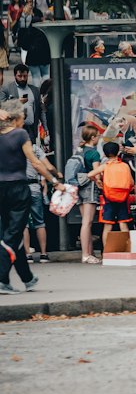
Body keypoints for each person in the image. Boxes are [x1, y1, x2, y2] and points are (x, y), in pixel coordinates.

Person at [0, 106, 60, 293]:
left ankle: (27, 278)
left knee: (13, 233)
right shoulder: (20, 135)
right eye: (23, 119)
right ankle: (1, 278)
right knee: (11, 236)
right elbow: (35, 162)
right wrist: (54, 181)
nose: (24, 122)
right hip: (18, 188)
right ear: (17, 119)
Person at [64, 122, 104, 262]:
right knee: (87, 222)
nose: (99, 138)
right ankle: (86, 255)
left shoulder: (80, 150)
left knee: (85, 222)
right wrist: (99, 181)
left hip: (78, 186)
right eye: (98, 136)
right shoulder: (94, 153)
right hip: (89, 186)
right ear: (93, 138)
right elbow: (96, 173)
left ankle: (89, 253)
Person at [98, 140, 134, 251]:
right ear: (118, 152)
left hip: (108, 198)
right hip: (123, 198)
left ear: (104, 154)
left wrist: (98, 180)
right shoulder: (124, 166)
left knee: (107, 226)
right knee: (123, 224)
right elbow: (131, 182)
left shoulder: (105, 166)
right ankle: (127, 249)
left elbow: (90, 174)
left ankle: (106, 251)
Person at [24, 134, 51, 262]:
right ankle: (44, 254)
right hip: (34, 187)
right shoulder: (35, 149)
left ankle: (27, 254)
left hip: (20, 188)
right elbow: (47, 166)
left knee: (24, 224)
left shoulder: (12, 147)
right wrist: (55, 177)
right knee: (39, 222)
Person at [0, 64, 41, 139]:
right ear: (15, 75)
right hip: (13, 129)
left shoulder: (35, 90)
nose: (22, 79)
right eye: (20, 76)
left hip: (30, 130)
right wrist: (17, 102)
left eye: (25, 76)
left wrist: (45, 127)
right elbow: (2, 108)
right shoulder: (6, 89)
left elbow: (40, 110)